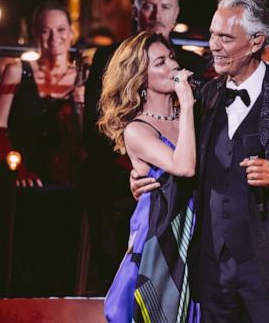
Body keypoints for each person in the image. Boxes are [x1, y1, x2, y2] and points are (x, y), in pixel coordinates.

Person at [131, 0, 269, 322]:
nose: (213, 45)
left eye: (225, 37)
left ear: (256, 41)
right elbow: (173, 151)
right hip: (213, 269)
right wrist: (144, 176)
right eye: (212, 34)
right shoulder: (205, 98)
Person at [81, 0, 208, 294]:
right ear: (136, 12)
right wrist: (144, 169)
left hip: (193, 208)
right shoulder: (108, 59)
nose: (156, 14)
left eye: (165, 6)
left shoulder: (193, 67)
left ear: (176, 13)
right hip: (128, 187)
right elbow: (95, 131)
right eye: (149, 5)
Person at [98, 31, 198, 322]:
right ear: (140, 77)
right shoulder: (137, 130)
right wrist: (188, 106)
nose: (172, 67)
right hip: (160, 236)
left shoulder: (191, 116)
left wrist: (188, 109)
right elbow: (184, 167)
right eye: (160, 63)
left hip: (196, 231)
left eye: (171, 58)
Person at [0, 1, 84, 296]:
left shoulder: (84, 77)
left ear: (71, 33)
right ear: (35, 35)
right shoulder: (18, 72)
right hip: (25, 174)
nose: (53, 38)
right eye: (45, 31)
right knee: (23, 255)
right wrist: (19, 167)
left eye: (60, 30)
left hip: (67, 178)